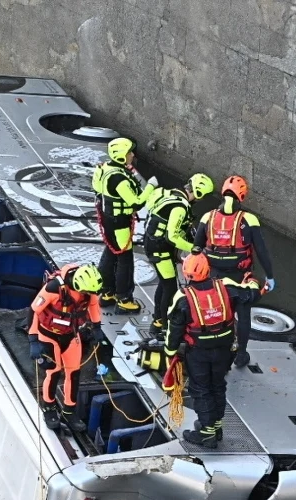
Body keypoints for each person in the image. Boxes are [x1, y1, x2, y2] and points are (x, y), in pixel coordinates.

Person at [164, 253, 260, 448]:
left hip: (198, 352)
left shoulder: (183, 298)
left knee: (201, 389)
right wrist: (253, 281)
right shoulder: (226, 286)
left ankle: (206, 432)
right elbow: (251, 294)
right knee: (217, 385)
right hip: (224, 349)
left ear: (186, 274)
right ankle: (215, 426)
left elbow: (174, 330)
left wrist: (170, 352)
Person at [192, 175, 275, 369]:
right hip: (240, 277)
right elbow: (261, 251)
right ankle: (241, 353)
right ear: (242, 195)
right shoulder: (249, 219)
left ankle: (214, 348)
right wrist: (269, 276)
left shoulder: (207, 217)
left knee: (214, 312)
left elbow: (196, 249)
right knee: (243, 313)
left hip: (212, 277)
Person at [29, 263, 111, 432]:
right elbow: (34, 311)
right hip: (49, 335)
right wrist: (33, 340)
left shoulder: (89, 291)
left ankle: (69, 410)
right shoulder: (53, 288)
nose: (88, 295)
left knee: (73, 373)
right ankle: (49, 408)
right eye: (86, 292)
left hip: (71, 335)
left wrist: (96, 327)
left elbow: (94, 306)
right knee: (53, 372)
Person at [141, 172, 214, 335]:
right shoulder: (180, 208)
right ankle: (162, 323)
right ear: (199, 193)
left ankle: (158, 319)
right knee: (169, 286)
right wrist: (194, 248)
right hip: (159, 248)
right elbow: (172, 236)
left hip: (153, 243)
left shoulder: (168, 194)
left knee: (164, 283)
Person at [92, 137, 157, 313]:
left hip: (108, 218)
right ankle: (124, 298)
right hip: (119, 222)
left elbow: (96, 188)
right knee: (125, 259)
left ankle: (107, 292)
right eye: (129, 152)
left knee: (110, 253)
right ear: (121, 156)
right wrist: (150, 187)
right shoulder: (119, 179)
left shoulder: (105, 168)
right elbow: (136, 202)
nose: (132, 155)